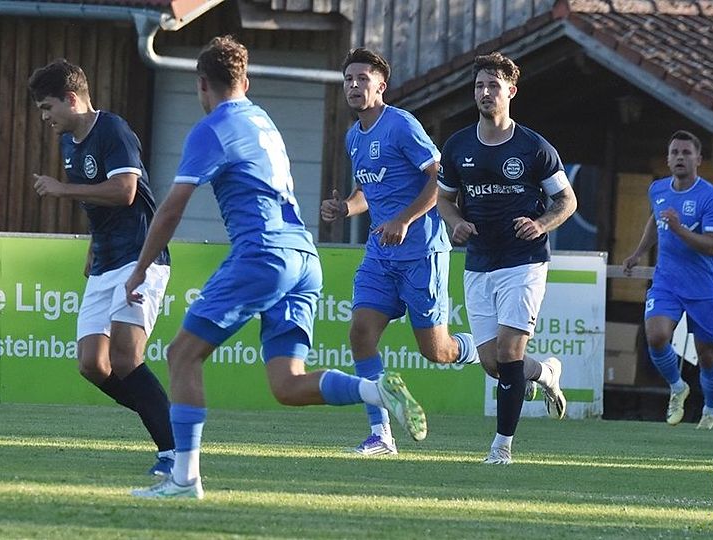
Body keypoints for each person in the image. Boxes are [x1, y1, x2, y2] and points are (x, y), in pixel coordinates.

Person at [125, 35, 427, 500]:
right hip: (304, 257)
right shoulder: (261, 119)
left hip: (263, 254)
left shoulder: (212, 127)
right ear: (245, 81)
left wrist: (140, 268)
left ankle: (184, 479)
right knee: (286, 384)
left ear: (202, 84)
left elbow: (170, 208)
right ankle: (375, 391)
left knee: (182, 354)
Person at [320, 47, 479, 456]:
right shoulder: (353, 136)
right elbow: (367, 191)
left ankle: (482, 348)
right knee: (360, 333)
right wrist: (345, 208)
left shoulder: (401, 125)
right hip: (380, 255)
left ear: (381, 86)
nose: (354, 86)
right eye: (349, 79)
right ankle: (381, 435)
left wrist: (404, 219)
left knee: (437, 351)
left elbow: (440, 179)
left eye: (363, 79)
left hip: (421, 253)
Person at [28, 59, 175, 475]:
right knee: (93, 364)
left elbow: (126, 191)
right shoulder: (68, 142)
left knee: (127, 358)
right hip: (106, 260)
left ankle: (173, 450)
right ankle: (165, 417)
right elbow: (99, 202)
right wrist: (93, 246)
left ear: (71, 99)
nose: (45, 117)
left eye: (47, 107)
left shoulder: (113, 130)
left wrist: (62, 189)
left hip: (140, 258)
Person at [436, 52, 577, 464]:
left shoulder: (534, 147)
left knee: (510, 352)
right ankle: (545, 372)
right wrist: (455, 223)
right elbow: (444, 200)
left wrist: (541, 224)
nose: (485, 92)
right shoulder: (458, 145)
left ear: (511, 91)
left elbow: (566, 200)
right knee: (493, 363)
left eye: (493, 86)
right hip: (479, 261)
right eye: (479, 86)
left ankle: (501, 448)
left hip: (524, 260)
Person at [623, 130, 713, 430]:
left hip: (701, 286)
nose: (680, 157)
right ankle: (678, 387)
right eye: (675, 152)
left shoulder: (710, 196)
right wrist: (638, 253)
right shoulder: (657, 190)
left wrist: (680, 230)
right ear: (668, 159)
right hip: (666, 281)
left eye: (686, 153)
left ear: (698, 159)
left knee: (707, 355)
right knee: (655, 336)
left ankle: (711, 410)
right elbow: (656, 220)